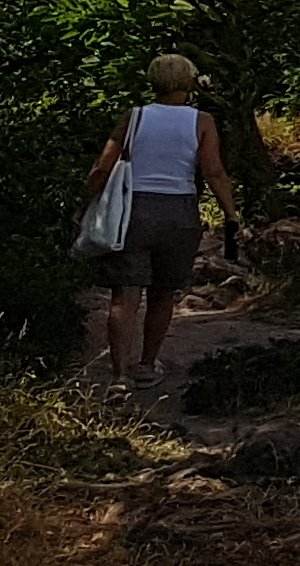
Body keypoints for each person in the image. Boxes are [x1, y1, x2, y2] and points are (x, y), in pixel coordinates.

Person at [80, 56, 237, 398]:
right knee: (163, 293)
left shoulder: (134, 117)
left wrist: (84, 206)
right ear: (188, 82)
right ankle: (147, 365)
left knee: (125, 294)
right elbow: (213, 171)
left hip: (133, 210)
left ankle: (119, 375)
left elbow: (103, 167)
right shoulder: (202, 121)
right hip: (180, 212)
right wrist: (230, 213)